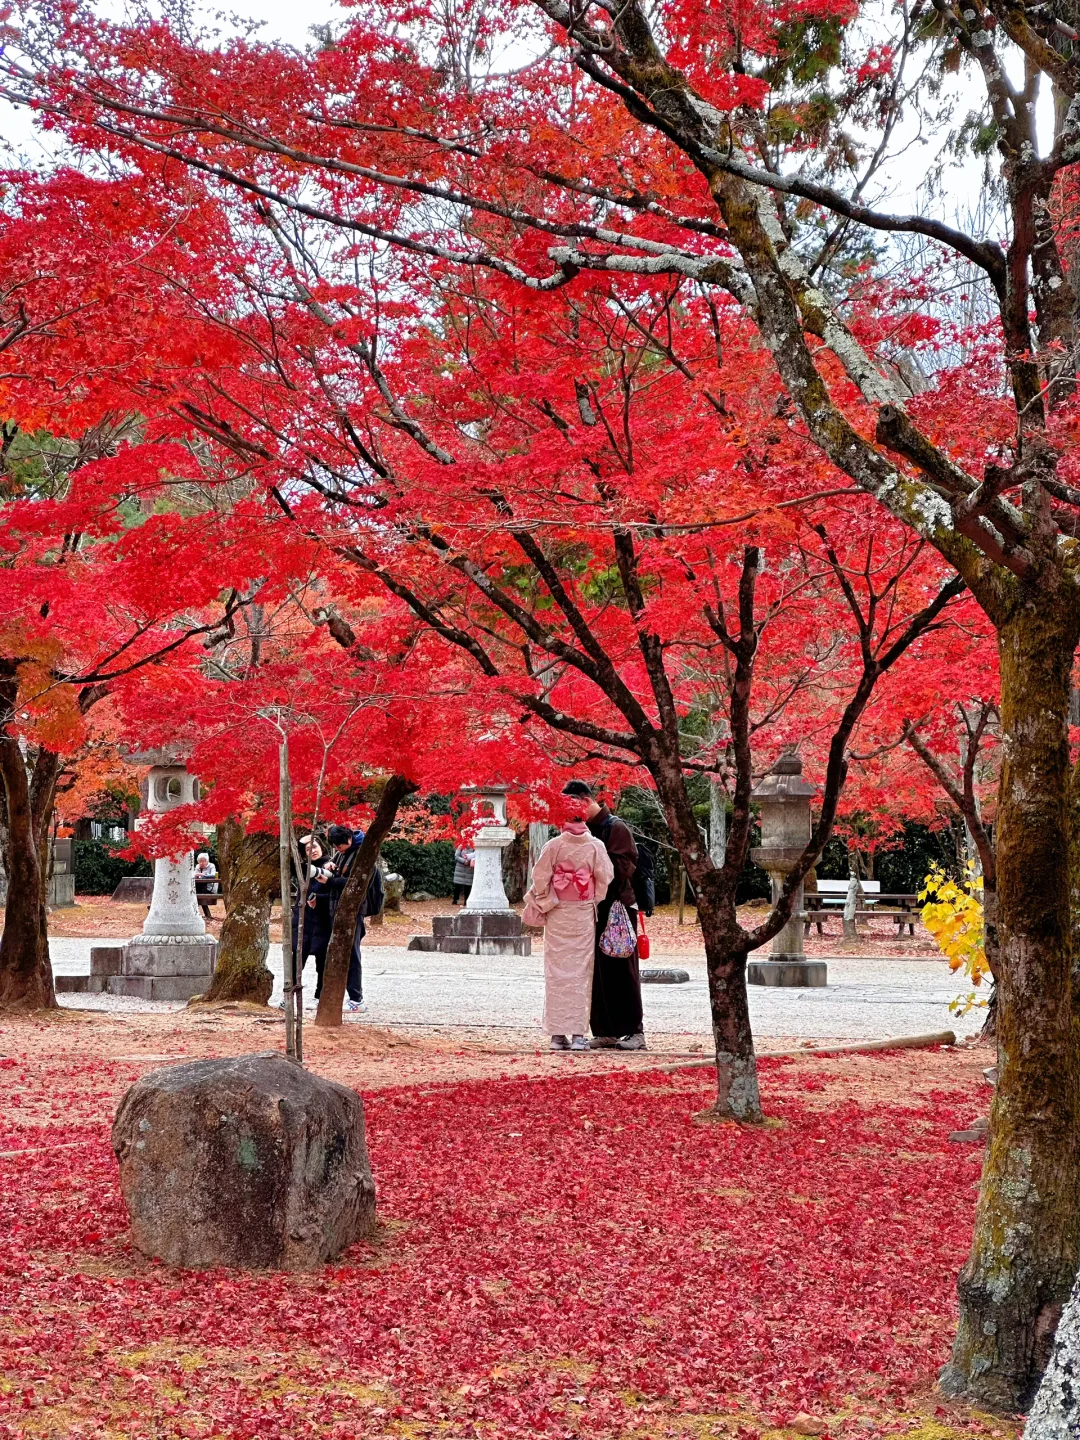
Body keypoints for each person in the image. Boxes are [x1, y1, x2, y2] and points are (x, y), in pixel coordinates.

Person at [562, 779, 646, 1051]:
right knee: (596, 972)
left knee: (623, 969)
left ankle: (635, 1031)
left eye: (573, 807)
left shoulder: (615, 828)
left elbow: (623, 868)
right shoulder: (583, 829)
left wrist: (589, 865)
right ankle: (605, 1030)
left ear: (585, 801)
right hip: (592, 907)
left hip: (617, 907)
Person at [529, 797, 614, 1051]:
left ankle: (557, 1036)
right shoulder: (595, 845)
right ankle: (578, 1035)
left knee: (556, 973)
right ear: (584, 819)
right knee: (580, 973)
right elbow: (605, 877)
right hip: (582, 913)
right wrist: (592, 899)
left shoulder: (554, 845)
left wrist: (548, 900)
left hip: (558, 913)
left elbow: (539, 877)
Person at [325, 823, 385, 1012]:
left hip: (354, 910)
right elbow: (338, 871)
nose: (337, 849)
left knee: (352, 954)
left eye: (339, 845)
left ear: (349, 839)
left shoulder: (363, 853)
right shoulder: (343, 853)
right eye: (335, 846)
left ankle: (356, 998)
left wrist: (330, 881)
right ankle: (338, 996)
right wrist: (329, 866)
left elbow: (357, 883)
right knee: (337, 953)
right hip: (336, 907)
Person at [291, 834, 335, 1002]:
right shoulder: (303, 868)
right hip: (304, 919)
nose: (313, 851)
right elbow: (291, 863)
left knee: (322, 961)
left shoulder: (331, 865)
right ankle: (290, 994)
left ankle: (320, 996)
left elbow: (336, 893)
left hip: (323, 920)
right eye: (308, 849)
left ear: (322, 847)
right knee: (297, 959)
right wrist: (303, 841)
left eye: (315, 847)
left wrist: (319, 900)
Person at [194, 851, 218, 920]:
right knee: (195, 893)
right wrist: (196, 875)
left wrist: (204, 875)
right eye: (200, 861)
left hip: (210, 888)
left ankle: (197, 913)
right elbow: (194, 874)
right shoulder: (197, 866)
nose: (201, 863)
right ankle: (199, 914)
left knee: (196, 894)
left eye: (203, 861)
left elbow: (214, 875)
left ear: (207, 861)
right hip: (200, 887)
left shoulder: (211, 865)